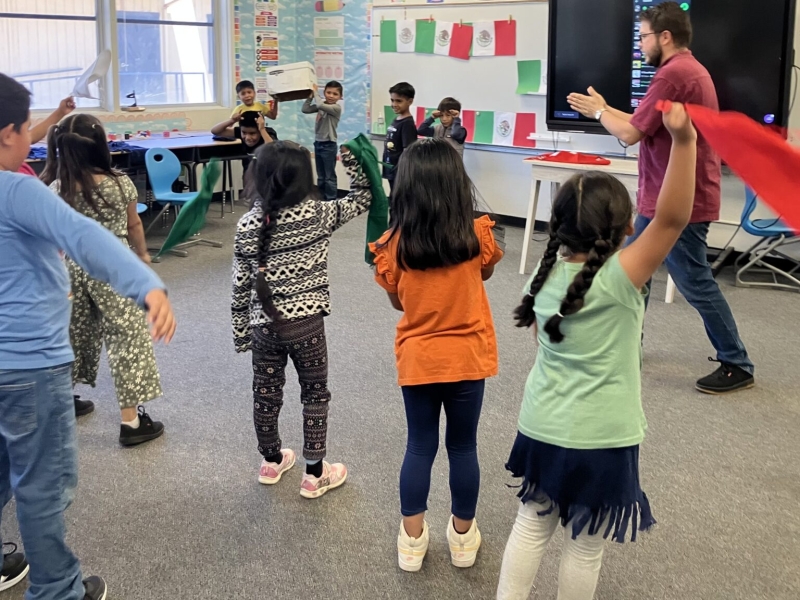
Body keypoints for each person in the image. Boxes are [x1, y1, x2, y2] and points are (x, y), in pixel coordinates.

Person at [495, 102, 696, 600]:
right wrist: (685, 143)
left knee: (530, 524)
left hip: (542, 425)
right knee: (585, 546)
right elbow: (672, 219)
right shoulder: (624, 277)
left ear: (558, 226)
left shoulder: (541, 282)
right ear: (627, 227)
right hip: (604, 436)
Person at [0, 72, 176, 600]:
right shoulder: (17, 189)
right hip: (30, 366)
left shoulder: (34, 182)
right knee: (43, 482)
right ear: (10, 132)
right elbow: (84, 237)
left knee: (5, 468)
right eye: (28, 127)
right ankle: (58, 589)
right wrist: (147, 283)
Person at [567, 1, 754, 394]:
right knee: (636, 277)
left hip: (679, 203)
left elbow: (630, 134)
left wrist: (600, 114)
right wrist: (603, 108)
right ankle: (627, 346)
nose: (640, 45)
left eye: (644, 37)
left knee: (694, 281)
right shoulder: (685, 69)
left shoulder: (674, 75)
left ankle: (737, 362)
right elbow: (641, 123)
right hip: (666, 198)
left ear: (664, 37)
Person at [370, 138, 504, 572]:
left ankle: (412, 542)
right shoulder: (477, 235)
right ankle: (463, 539)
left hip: (419, 360)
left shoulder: (391, 246)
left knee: (419, 445)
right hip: (468, 359)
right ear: (456, 185)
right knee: (463, 447)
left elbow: (397, 302)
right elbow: (485, 271)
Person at [231, 141, 372, 498]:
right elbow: (363, 197)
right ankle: (314, 474)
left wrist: (241, 335)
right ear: (304, 179)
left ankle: (271, 460)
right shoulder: (318, 215)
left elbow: (239, 287)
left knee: (265, 394)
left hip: (264, 327)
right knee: (314, 392)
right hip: (308, 325)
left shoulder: (247, 225)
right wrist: (351, 160)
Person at [40, 114, 166, 446]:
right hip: (116, 270)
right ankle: (132, 422)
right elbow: (134, 225)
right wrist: (142, 257)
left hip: (71, 271)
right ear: (100, 148)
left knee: (70, 337)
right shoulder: (120, 182)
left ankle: (62, 400)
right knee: (127, 341)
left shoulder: (56, 188)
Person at [302, 81, 344, 201]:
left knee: (329, 176)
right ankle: (321, 198)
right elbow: (305, 109)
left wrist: (315, 91)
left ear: (340, 97)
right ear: (324, 93)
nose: (331, 95)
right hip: (318, 143)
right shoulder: (322, 105)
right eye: (328, 92)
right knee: (321, 176)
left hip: (329, 145)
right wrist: (310, 96)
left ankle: (331, 200)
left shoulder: (336, 108)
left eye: (335, 94)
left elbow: (320, 105)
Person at [18, 95, 76, 176]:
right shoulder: (20, 177)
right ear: (7, 136)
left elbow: (31, 136)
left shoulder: (19, 171)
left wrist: (61, 112)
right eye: (26, 129)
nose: (28, 137)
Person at [382, 82, 418, 195]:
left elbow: (408, 152)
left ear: (410, 101)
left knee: (399, 201)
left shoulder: (407, 124)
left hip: (400, 172)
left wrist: (403, 173)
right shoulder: (397, 119)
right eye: (392, 100)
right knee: (393, 198)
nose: (394, 104)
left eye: (399, 101)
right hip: (390, 169)